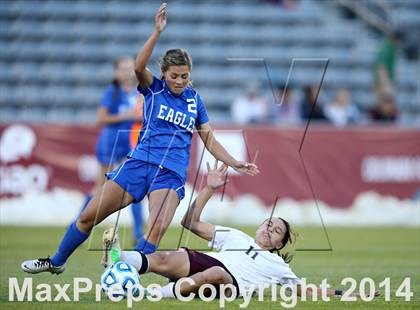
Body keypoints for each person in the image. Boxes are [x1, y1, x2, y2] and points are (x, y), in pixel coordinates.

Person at [21, 3, 259, 275]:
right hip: (139, 164)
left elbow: (209, 138)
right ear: (164, 74)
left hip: (170, 173)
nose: (180, 81)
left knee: (156, 228)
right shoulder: (154, 89)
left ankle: (125, 274)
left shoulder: (195, 101)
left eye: (185, 76)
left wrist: (234, 162)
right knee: (88, 216)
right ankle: (57, 261)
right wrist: (157, 32)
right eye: (174, 76)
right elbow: (138, 66)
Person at [105, 162, 378, 299]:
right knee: (168, 257)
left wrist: (351, 294)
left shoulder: (275, 265)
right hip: (211, 263)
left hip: (230, 285)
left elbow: (306, 289)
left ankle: (152, 294)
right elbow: (189, 222)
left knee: (216, 272)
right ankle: (117, 258)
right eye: (269, 224)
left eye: (276, 231)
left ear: (277, 245)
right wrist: (210, 187)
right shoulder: (236, 236)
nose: (269, 229)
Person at [77, 57, 145, 248]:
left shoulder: (139, 93)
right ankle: (79, 222)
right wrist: (129, 116)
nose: (126, 73)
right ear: (116, 72)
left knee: (134, 185)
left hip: (129, 142)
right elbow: (100, 119)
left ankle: (138, 231)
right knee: (100, 185)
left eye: (130, 69)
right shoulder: (112, 92)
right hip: (110, 142)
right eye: (123, 69)